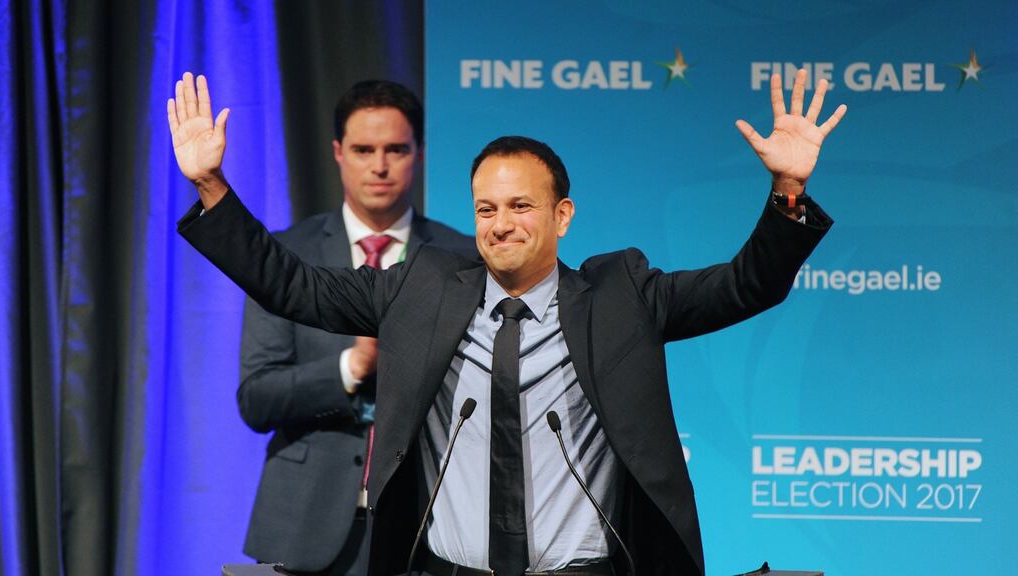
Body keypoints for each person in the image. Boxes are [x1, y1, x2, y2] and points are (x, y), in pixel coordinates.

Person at [168, 68, 845, 576]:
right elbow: (290, 284)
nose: (500, 225)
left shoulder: (622, 295)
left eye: (521, 206)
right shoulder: (421, 289)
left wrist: (787, 192)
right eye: (486, 209)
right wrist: (210, 186)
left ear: (562, 216)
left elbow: (747, 285)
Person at [235, 80, 475, 575]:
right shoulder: (288, 255)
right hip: (304, 528)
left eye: (396, 150)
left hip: (429, 529)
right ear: (338, 153)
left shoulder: (464, 259)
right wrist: (353, 365)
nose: (380, 166)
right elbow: (257, 398)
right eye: (364, 150)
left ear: (419, 154)